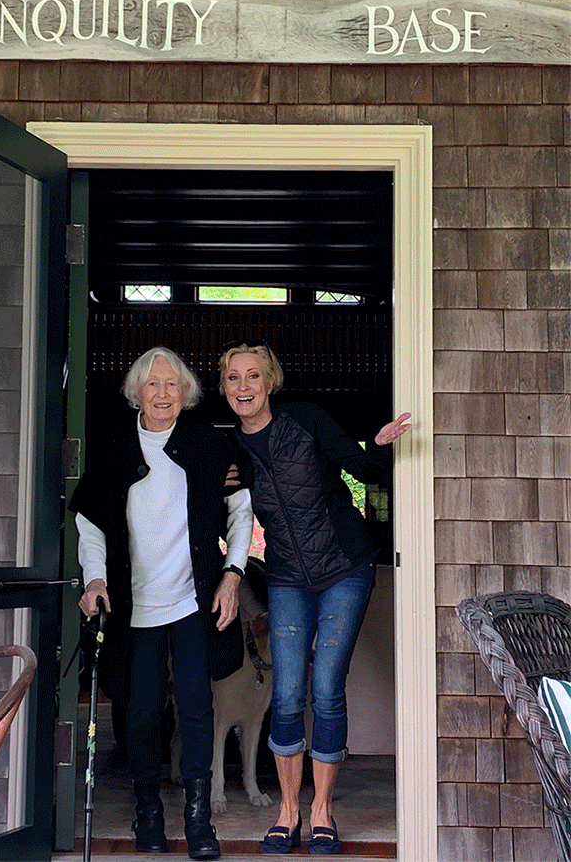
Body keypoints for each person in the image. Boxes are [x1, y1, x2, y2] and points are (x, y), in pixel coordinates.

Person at [218, 341, 411, 856]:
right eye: (233, 378)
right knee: (285, 695)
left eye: (253, 376)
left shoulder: (304, 419)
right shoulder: (232, 452)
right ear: (223, 388)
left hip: (344, 568)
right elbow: (223, 519)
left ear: (270, 381)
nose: (244, 387)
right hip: (286, 578)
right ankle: (288, 812)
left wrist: (382, 442)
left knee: (325, 688)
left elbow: (363, 468)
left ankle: (322, 811)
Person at [69, 347, 253, 861]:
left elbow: (240, 511)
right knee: (143, 712)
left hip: (192, 600)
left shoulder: (206, 444)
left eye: (172, 385)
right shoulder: (115, 446)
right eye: (153, 385)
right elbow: (90, 521)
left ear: (186, 392)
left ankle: (199, 820)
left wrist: (233, 575)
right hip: (135, 606)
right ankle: (147, 811)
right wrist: (95, 579)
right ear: (137, 392)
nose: (163, 394)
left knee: (196, 708)